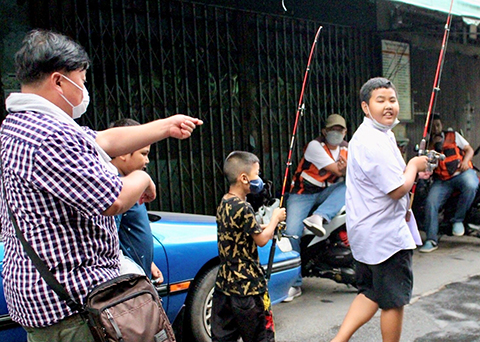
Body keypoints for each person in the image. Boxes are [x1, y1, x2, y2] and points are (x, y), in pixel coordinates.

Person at [0, 29, 202, 341]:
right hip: (71, 306)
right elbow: (114, 199)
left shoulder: (20, 124)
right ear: (58, 81)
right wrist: (141, 178)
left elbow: (103, 140)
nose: (83, 89)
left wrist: (165, 126)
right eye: (80, 81)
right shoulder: (50, 135)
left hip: (44, 295)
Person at [331, 77, 427, 342]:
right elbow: (397, 188)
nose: (388, 106)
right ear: (365, 106)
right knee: (393, 301)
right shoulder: (372, 140)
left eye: (392, 100)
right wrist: (414, 167)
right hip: (385, 236)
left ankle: (338, 340)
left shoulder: (379, 135)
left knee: (371, 291)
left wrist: (413, 169)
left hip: (368, 233)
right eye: (380, 101)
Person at [211, 151, 286, 342]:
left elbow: (241, 229)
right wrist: (275, 219)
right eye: (257, 174)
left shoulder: (226, 202)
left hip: (224, 287)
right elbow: (261, 240)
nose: (259, 179)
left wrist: (266, 226)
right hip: (248, 289)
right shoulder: (244, 208)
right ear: (244, 178)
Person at [284, 113, 348, 301]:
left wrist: (349, 167)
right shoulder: (314, 146)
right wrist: (347, 167)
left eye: (340, 130)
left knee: (350, 186)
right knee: (292, 233)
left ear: (345, 132)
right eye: (332, 129)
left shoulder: (347, 148)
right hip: (303, 194)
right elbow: (338, 170)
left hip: (327, 194)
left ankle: (319, 217)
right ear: (324, 131)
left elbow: (355, 172)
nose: (336, 133)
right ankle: (294, 284)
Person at [109, 118, 163, 283]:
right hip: (127, 282)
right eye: (143, 154)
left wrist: (148, 262)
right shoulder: (118, 188)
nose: (147, 161)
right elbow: (111, 242)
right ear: (124, 152)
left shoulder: (128, 182)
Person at [419, 114, 479, 253]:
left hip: (461, 173)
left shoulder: (453, 135)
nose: (436, 128)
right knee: (431, 203)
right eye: (433, 127)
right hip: (443, 180)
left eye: (438, 125)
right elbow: (425, 164)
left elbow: (469, 150)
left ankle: (458, 220)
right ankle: (431, 240)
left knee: (470, 185)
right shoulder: (427, 144)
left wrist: (465, 162)